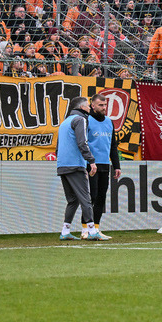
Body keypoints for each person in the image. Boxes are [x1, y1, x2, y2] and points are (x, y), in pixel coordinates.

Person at [56, 97, 102, 241]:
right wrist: (91, 161)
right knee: (85, 198)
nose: (89, 108)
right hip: (75, 165)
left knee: (73, 200)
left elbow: (57, 148)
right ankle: (92, 231)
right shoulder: (80, 120)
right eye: (88, 106)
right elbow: (83, 143)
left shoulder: (64, 122)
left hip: (62, 165)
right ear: (82, 107)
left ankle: (65, 231)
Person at [79, 93, 120, 240]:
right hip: (91, 165)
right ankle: (85, 229)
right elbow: (82, 143)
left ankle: (96, 228)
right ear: (93, 106)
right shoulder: (86, 120)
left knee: (101, 197)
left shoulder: (109, 122)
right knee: (91, 197)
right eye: (100, 105)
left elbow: (113, 145)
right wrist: (87, 162)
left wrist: (116, 165)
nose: (104, 107)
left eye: (105, 105)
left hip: (105, 164)